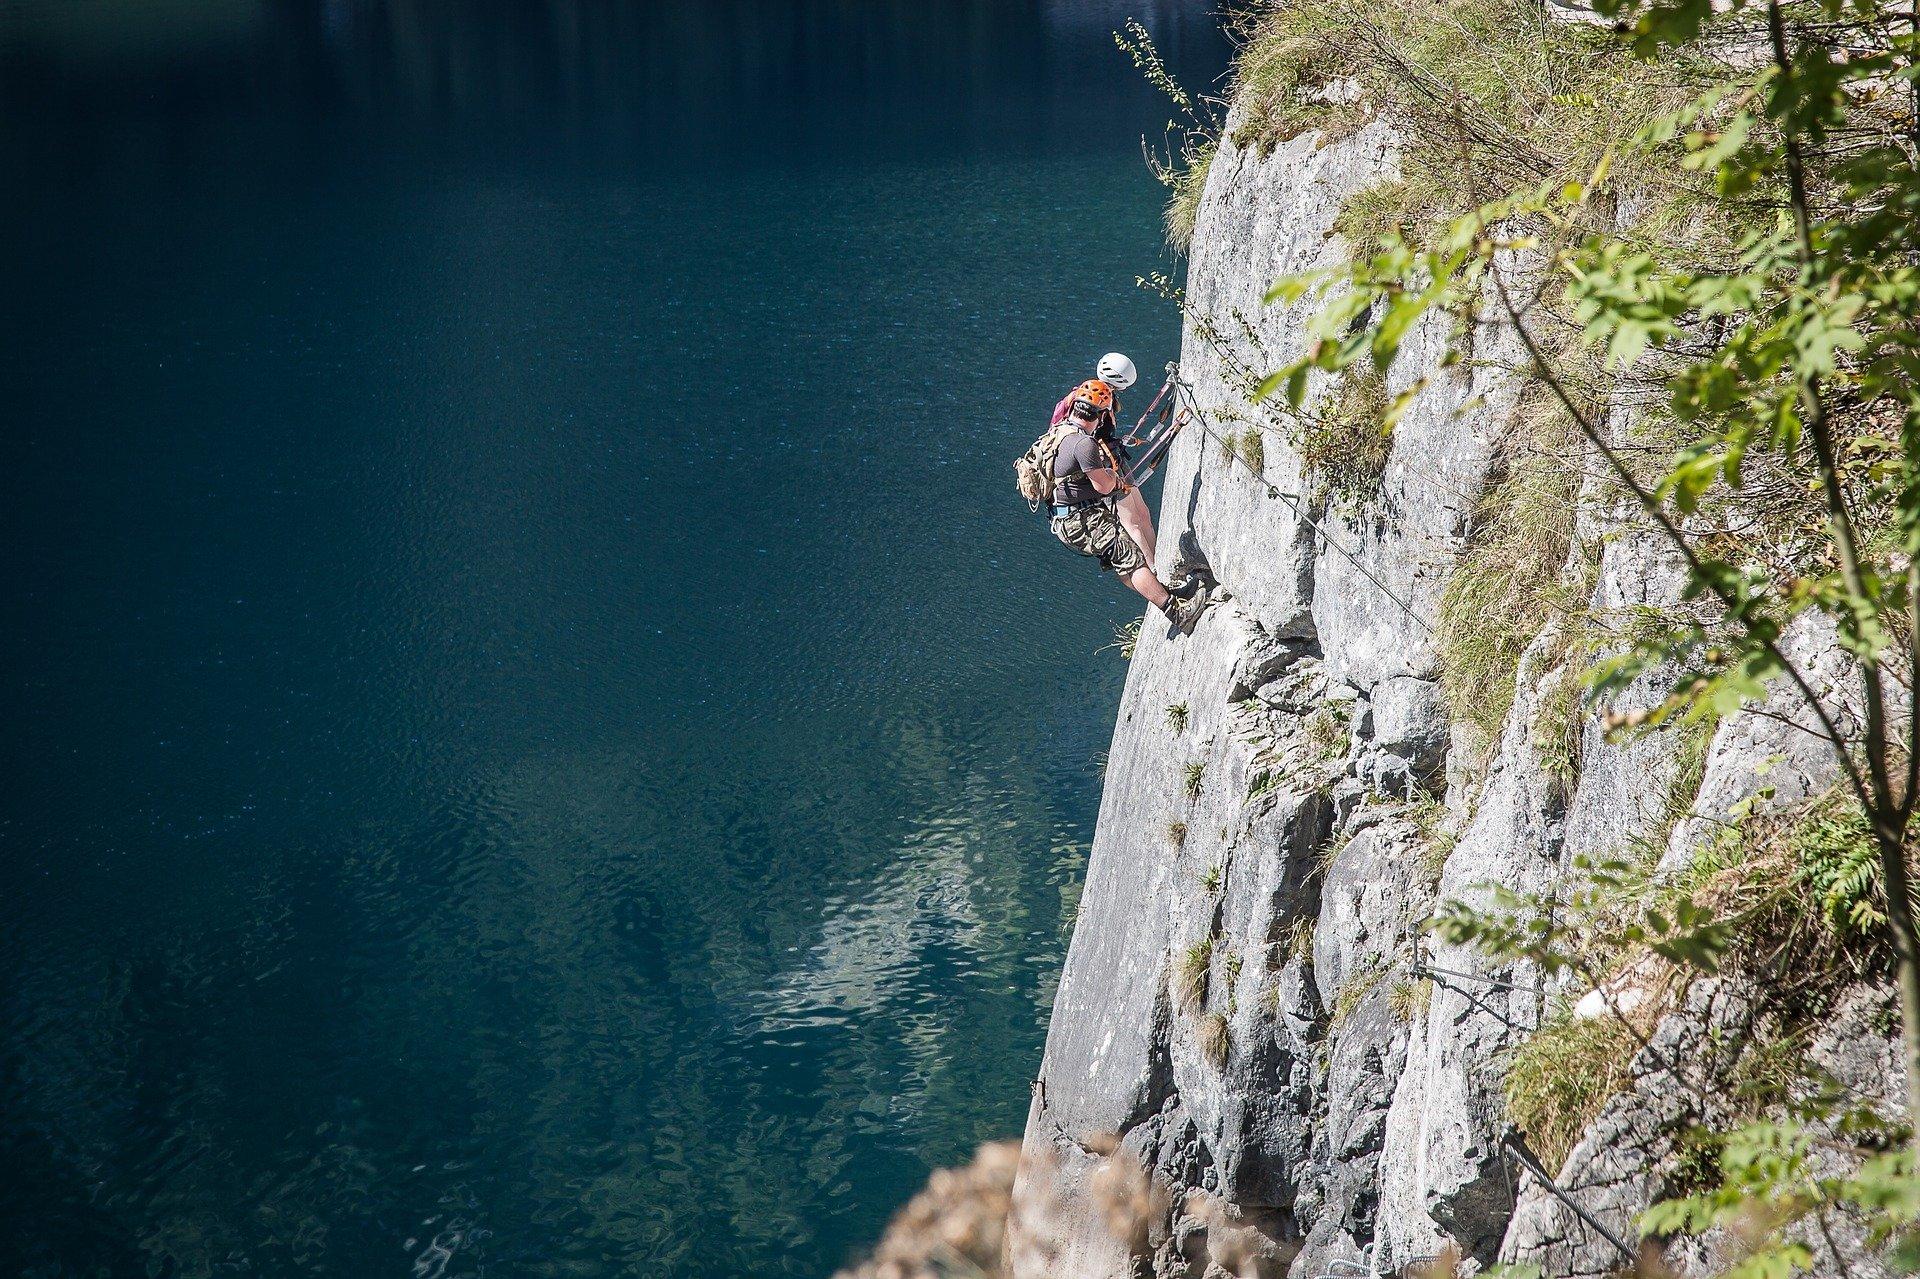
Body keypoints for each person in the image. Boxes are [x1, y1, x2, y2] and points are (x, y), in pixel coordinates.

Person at [1049, 380, 1209, 633]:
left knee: (1122, 561)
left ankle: (1166, 592)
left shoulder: (1060, 432)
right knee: (1131, 561)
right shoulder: (1084, 444)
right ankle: (1178, 613)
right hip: (1082, 519)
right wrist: (1113, 475)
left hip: (1070, 517)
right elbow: (1103, 485)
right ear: (1100, 416)